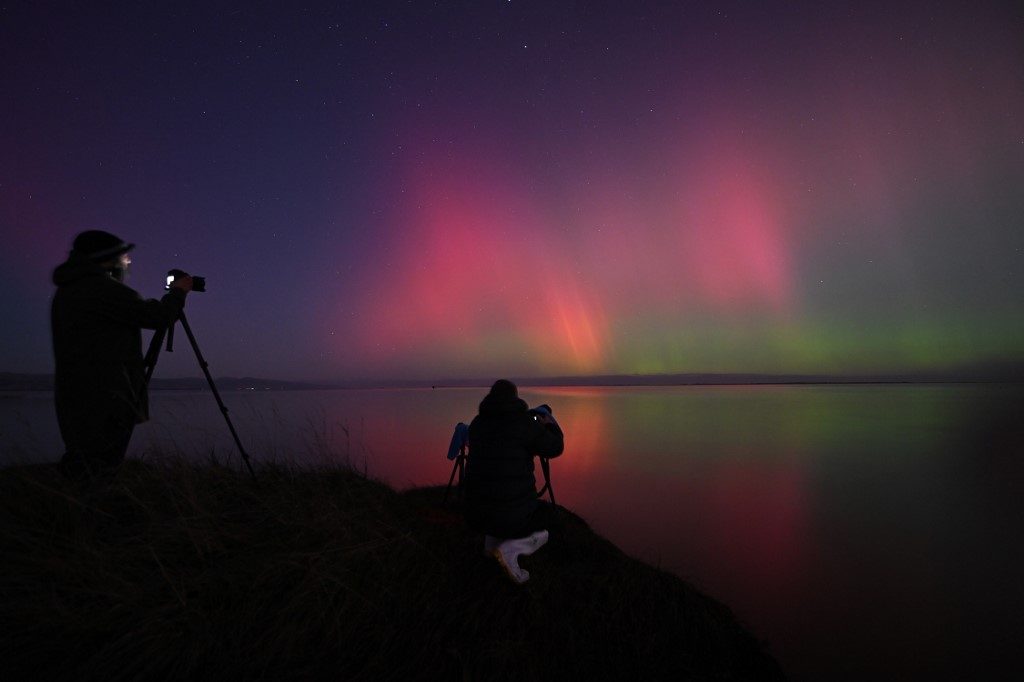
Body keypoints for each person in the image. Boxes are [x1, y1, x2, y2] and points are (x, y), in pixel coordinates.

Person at [51, 230, 193, 479]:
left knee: (82, 459)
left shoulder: (68, 290)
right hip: (105, 396)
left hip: (75, 394)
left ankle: (71, 508)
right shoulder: (101, 290)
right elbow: (157, 317)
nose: (128, 262)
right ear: (107, 259)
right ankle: (90, 512)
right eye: (124, 257)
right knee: (100, 466)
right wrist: (178, 294)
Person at [464, 379, 564, 583]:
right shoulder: (524, 424)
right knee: (550, 520)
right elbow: (555, 448)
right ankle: (511, 550)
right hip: (508, 516)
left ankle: (491, 547)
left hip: (474, 514)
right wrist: (550, 425)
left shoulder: (476, 424)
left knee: (498, 496)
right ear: (515, 398)